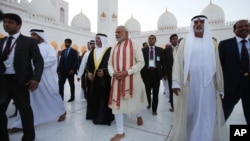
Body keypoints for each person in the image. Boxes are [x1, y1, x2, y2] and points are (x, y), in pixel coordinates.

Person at [171, 15, 228, 141]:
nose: (198, 24)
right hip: (190, 84)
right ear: (192, 25)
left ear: (206, 24)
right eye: (196, 22)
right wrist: (175, 82)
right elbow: (178, 63)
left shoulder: (212, 44)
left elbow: (218, 66)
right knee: (190, 113)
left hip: (209, 86)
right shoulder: (184, 42)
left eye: (201, 22)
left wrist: (220, 87)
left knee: (207, 114)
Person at [8, 29, 67, 133]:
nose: (32, 36)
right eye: (31, 34)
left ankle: (61, 111)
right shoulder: (30, 46)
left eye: (34, 35)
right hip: (32, 78)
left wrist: (37, 64)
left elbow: (52, 59)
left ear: (40, 36)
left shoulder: (48, 47)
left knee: (52, 95)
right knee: (29, 101)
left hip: (46, 79)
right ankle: (21, 123)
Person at [0, 13, 44, 141]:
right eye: (4, 22)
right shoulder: (2, 42)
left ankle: (28, 137)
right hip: (3, 83)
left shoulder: (29, 42)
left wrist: (36, 78)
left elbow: (39, 62)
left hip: (20, 82)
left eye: (10, 22)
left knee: (25, 112)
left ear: (19, 25)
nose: (6, 24)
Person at [108, 25, 147, 141]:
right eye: (116, 32)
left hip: (132, 80)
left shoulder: (134, 45)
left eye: (119, 32)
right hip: (117, 81)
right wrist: (113, 73)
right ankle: (120, 132)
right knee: (117, 106)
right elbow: (109, 64)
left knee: (134, 102)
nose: (116, 34)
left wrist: (127, 72)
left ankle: (138, 115)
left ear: (126, 34)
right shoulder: (113, 48)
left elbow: (141, 62)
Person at [218, 19, 250, 124]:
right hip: (231, 86)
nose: (244, 28)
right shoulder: (225, 44)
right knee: (223, 114)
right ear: (234, 30)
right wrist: (219, 88)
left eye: (246, 26)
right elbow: (219, 67)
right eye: (240, 27)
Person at [86, 33, 114, 125]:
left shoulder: (110, 51)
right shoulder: (93, 51)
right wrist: (89, 72)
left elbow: (113, 65)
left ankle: (103, 118)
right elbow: (88, 64)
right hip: (93, 80)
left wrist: (105, 72)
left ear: (103, 39)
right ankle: (93, 115)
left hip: (104, 81)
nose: (96, 40)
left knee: (103, 99)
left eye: (98, 38)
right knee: (94, 97)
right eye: (96, 38)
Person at [141, 34, 166, 115]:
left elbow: (163, 63)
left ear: (155, 40)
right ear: (148, 40)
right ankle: (149, 103)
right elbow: (141, 63)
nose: (151, 40)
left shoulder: (160, 50)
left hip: (156, 74)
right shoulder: (143, 50)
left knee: (155, 93)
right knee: (147, 92)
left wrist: (164, 73)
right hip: (147, 74)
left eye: (153, 39)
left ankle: (154, 110)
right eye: (150, 39)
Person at [77, 40, 95, 119]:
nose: (92, 45)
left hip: (97, 76)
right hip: (88, 75)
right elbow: (82, 64)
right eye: (91, 44)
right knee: (88, 89)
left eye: (93, 44)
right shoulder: (87, 53)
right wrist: (79, 75)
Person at [163, 34, 178, 112]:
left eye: (176, 39)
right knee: (172, 89)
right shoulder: (166, 51)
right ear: (170, 41)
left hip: (180, 74)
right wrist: (165, 74)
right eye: (173, 39)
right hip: (170, 73)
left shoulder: (181, 49)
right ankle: (173, 105)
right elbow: (164, 63)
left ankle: (180, 105)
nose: (174, 40)